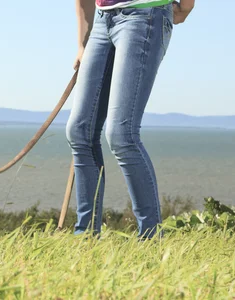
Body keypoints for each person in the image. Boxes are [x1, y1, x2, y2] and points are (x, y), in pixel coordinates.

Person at [66, 0, 195, 238]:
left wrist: (186, 5)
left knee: (121, 134)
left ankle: (150, 236)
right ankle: (85, 236)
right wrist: (82, 45)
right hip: (102, 22)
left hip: (145, 14)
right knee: (79, 130)